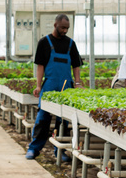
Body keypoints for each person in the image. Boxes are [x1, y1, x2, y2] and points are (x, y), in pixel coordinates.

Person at [24, 14, 83, 160]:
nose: (65, 30)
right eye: (63, 27)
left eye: (67, 28)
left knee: (63, 120)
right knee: (42, 118)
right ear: (55, 24)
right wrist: (38, 86)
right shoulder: (45, 42)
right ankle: (34, 149)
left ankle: (60, 151)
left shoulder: (70, 44)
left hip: (66, 87)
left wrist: (77, 83)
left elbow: (76, 65)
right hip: (49, 85)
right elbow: (40, 66)